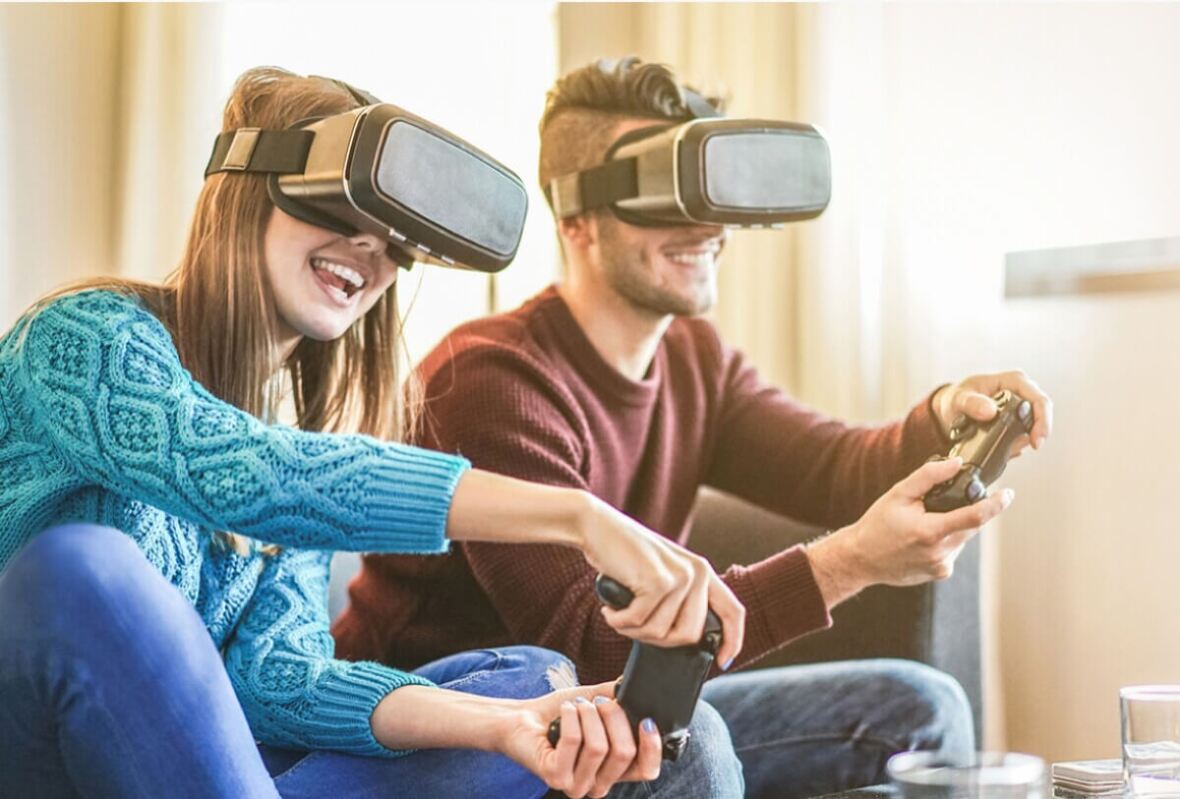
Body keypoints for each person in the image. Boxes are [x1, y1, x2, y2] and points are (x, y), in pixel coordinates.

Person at [0, 66, 749, 799]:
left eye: (397, 234)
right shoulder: (82, 338)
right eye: (337, 204)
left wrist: (506, 726)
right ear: (246, 191)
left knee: (537, 680)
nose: (371, 246)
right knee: (81, 564)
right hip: (50, 757)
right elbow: (248, 474)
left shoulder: (294, 437)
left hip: (214, 771)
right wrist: (576, 515)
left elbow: (282, 680)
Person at [333, 57, 1056, 799]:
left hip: (605, 720)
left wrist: (944, 415)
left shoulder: (693, 359)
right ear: (575, 217)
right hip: (438, 741)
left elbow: (836, 467)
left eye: (708, 190)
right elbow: (588, 645)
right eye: (663, 191)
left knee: (917, 708)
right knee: (685, 739)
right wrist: (851, 562)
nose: (707, 225)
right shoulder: (489, 378)